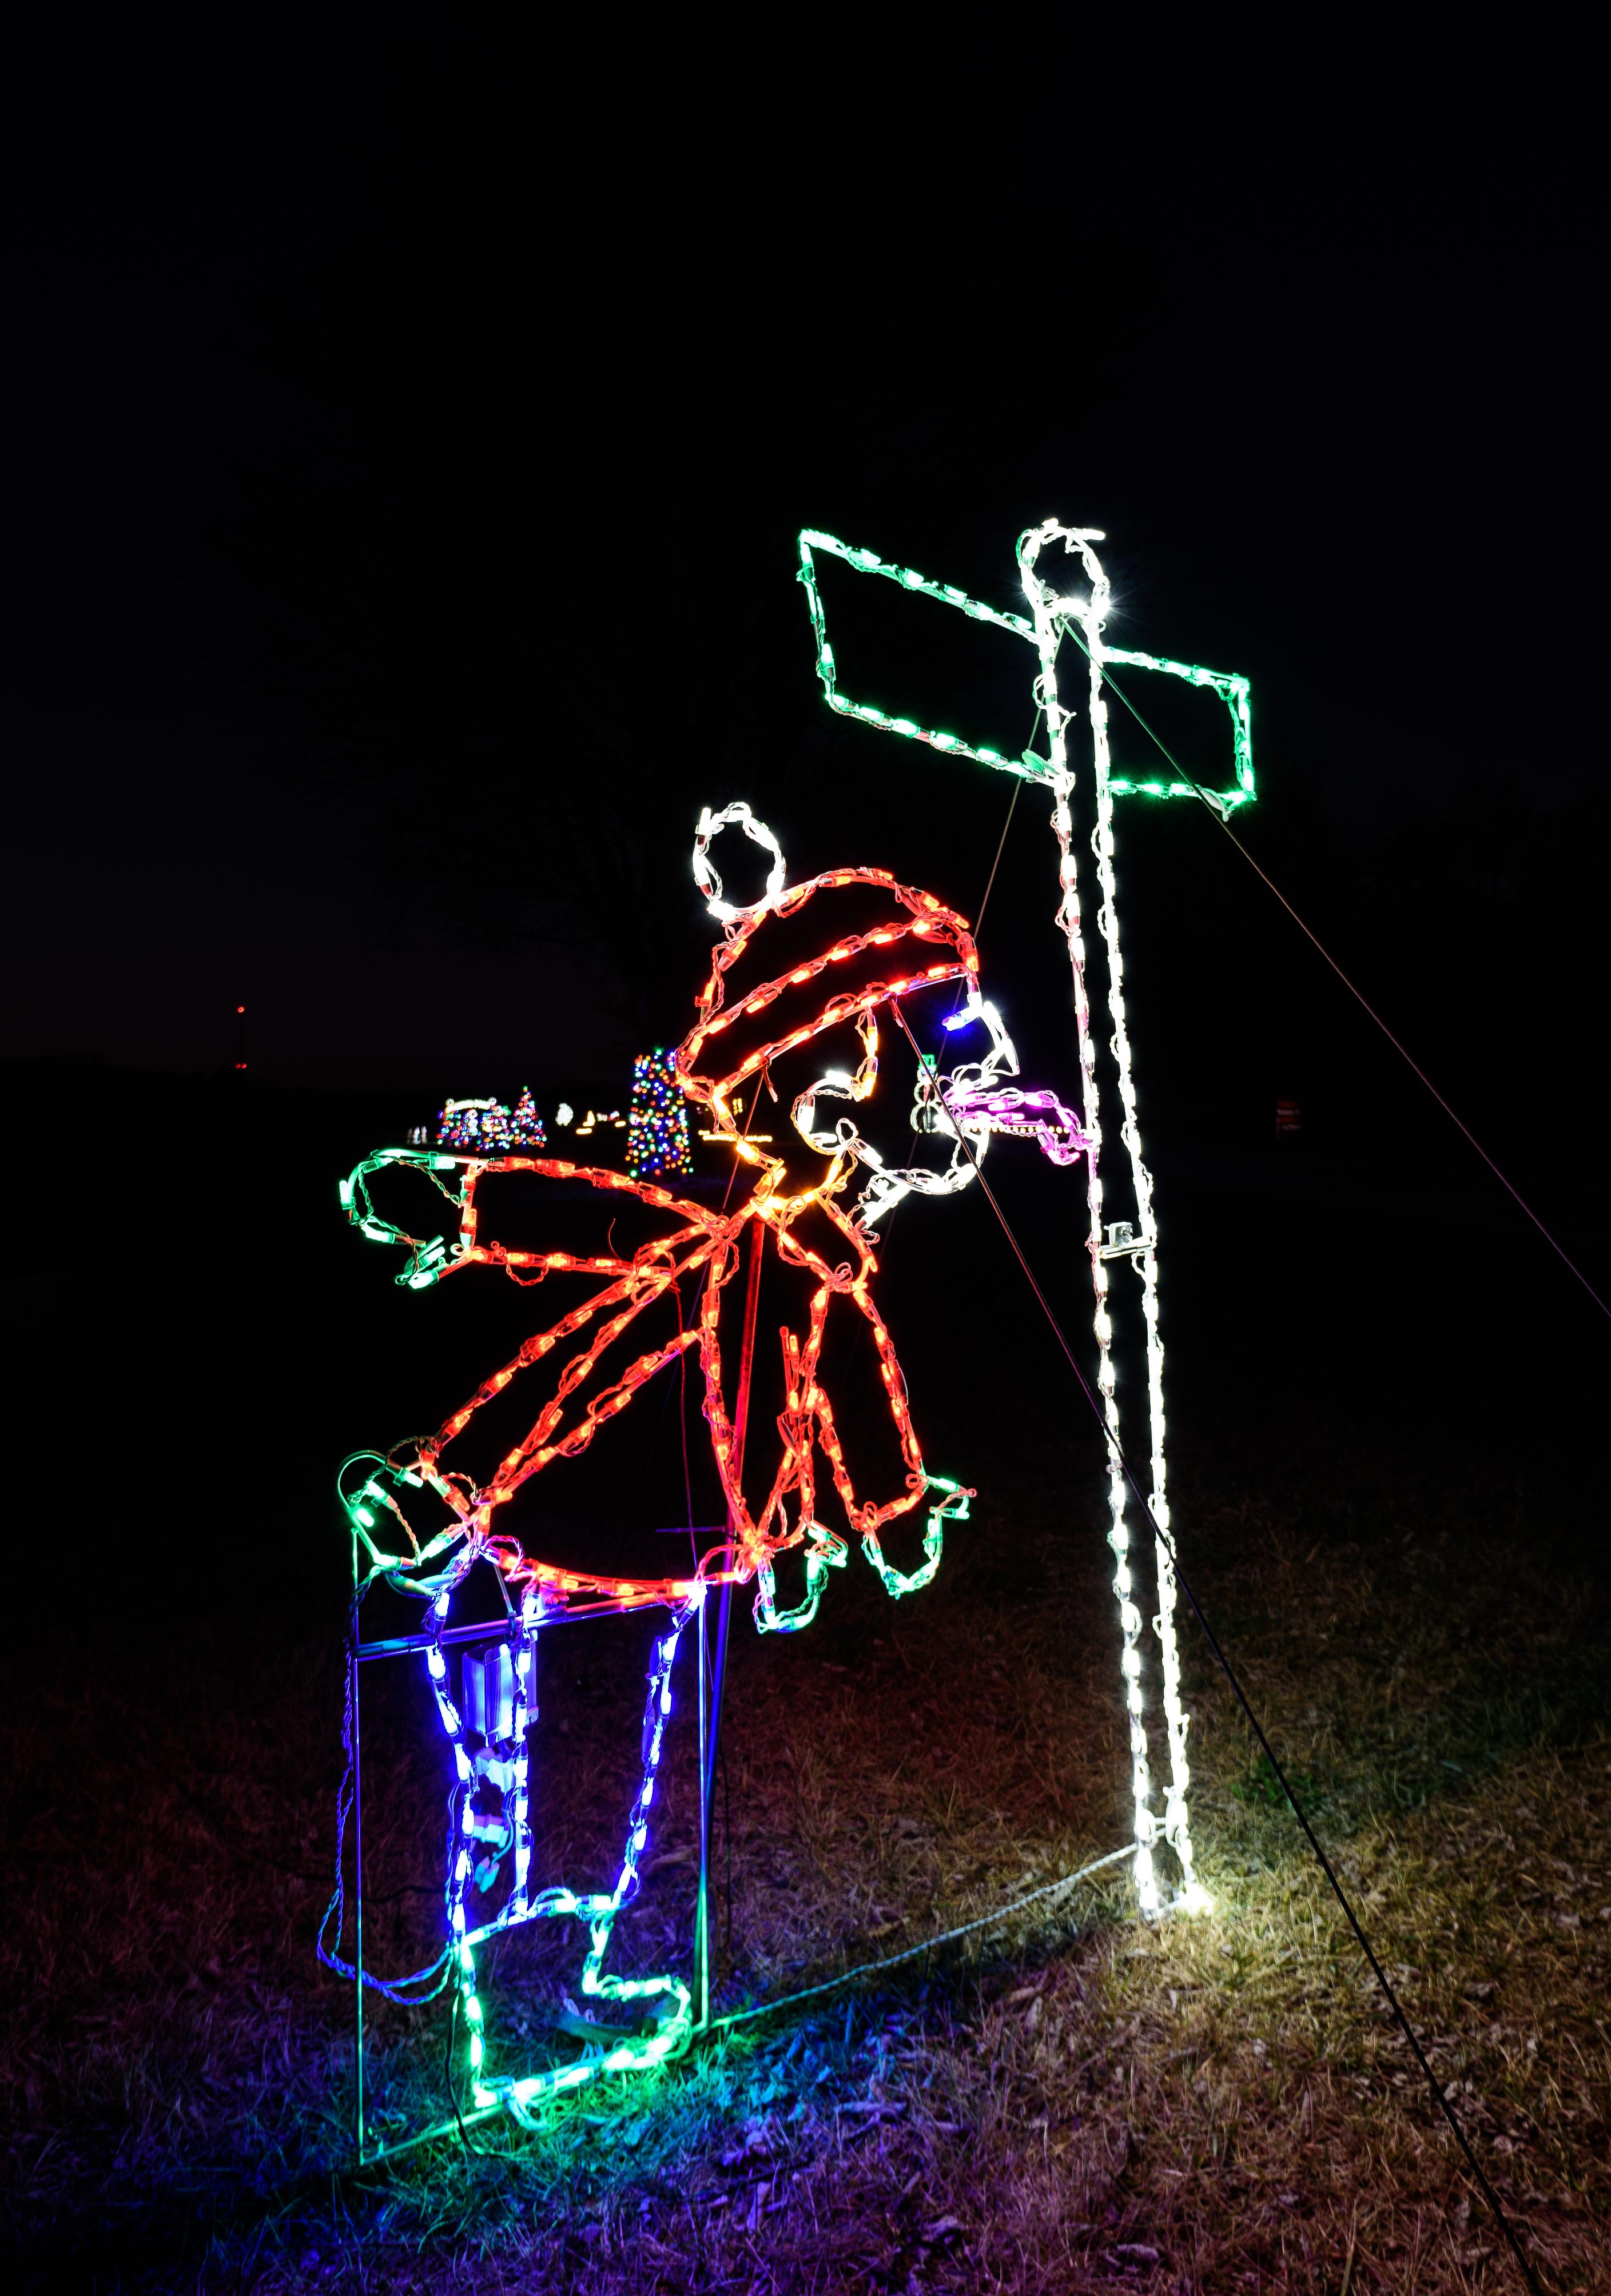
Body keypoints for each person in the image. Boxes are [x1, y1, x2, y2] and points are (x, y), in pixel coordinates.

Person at [321, 806, 1086, 2119]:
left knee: (601, 1751)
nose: (897, 1131)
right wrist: (461, 1202)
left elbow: (840, 1400)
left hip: (680, 1538)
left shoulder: (820, 1261)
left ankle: (561, 1971)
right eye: (862, 1088)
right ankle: (519, 1997)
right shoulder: (714, 1221)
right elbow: (591, 1223)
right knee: (573, 1745)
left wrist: (878, 1518)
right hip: (596, 1513)